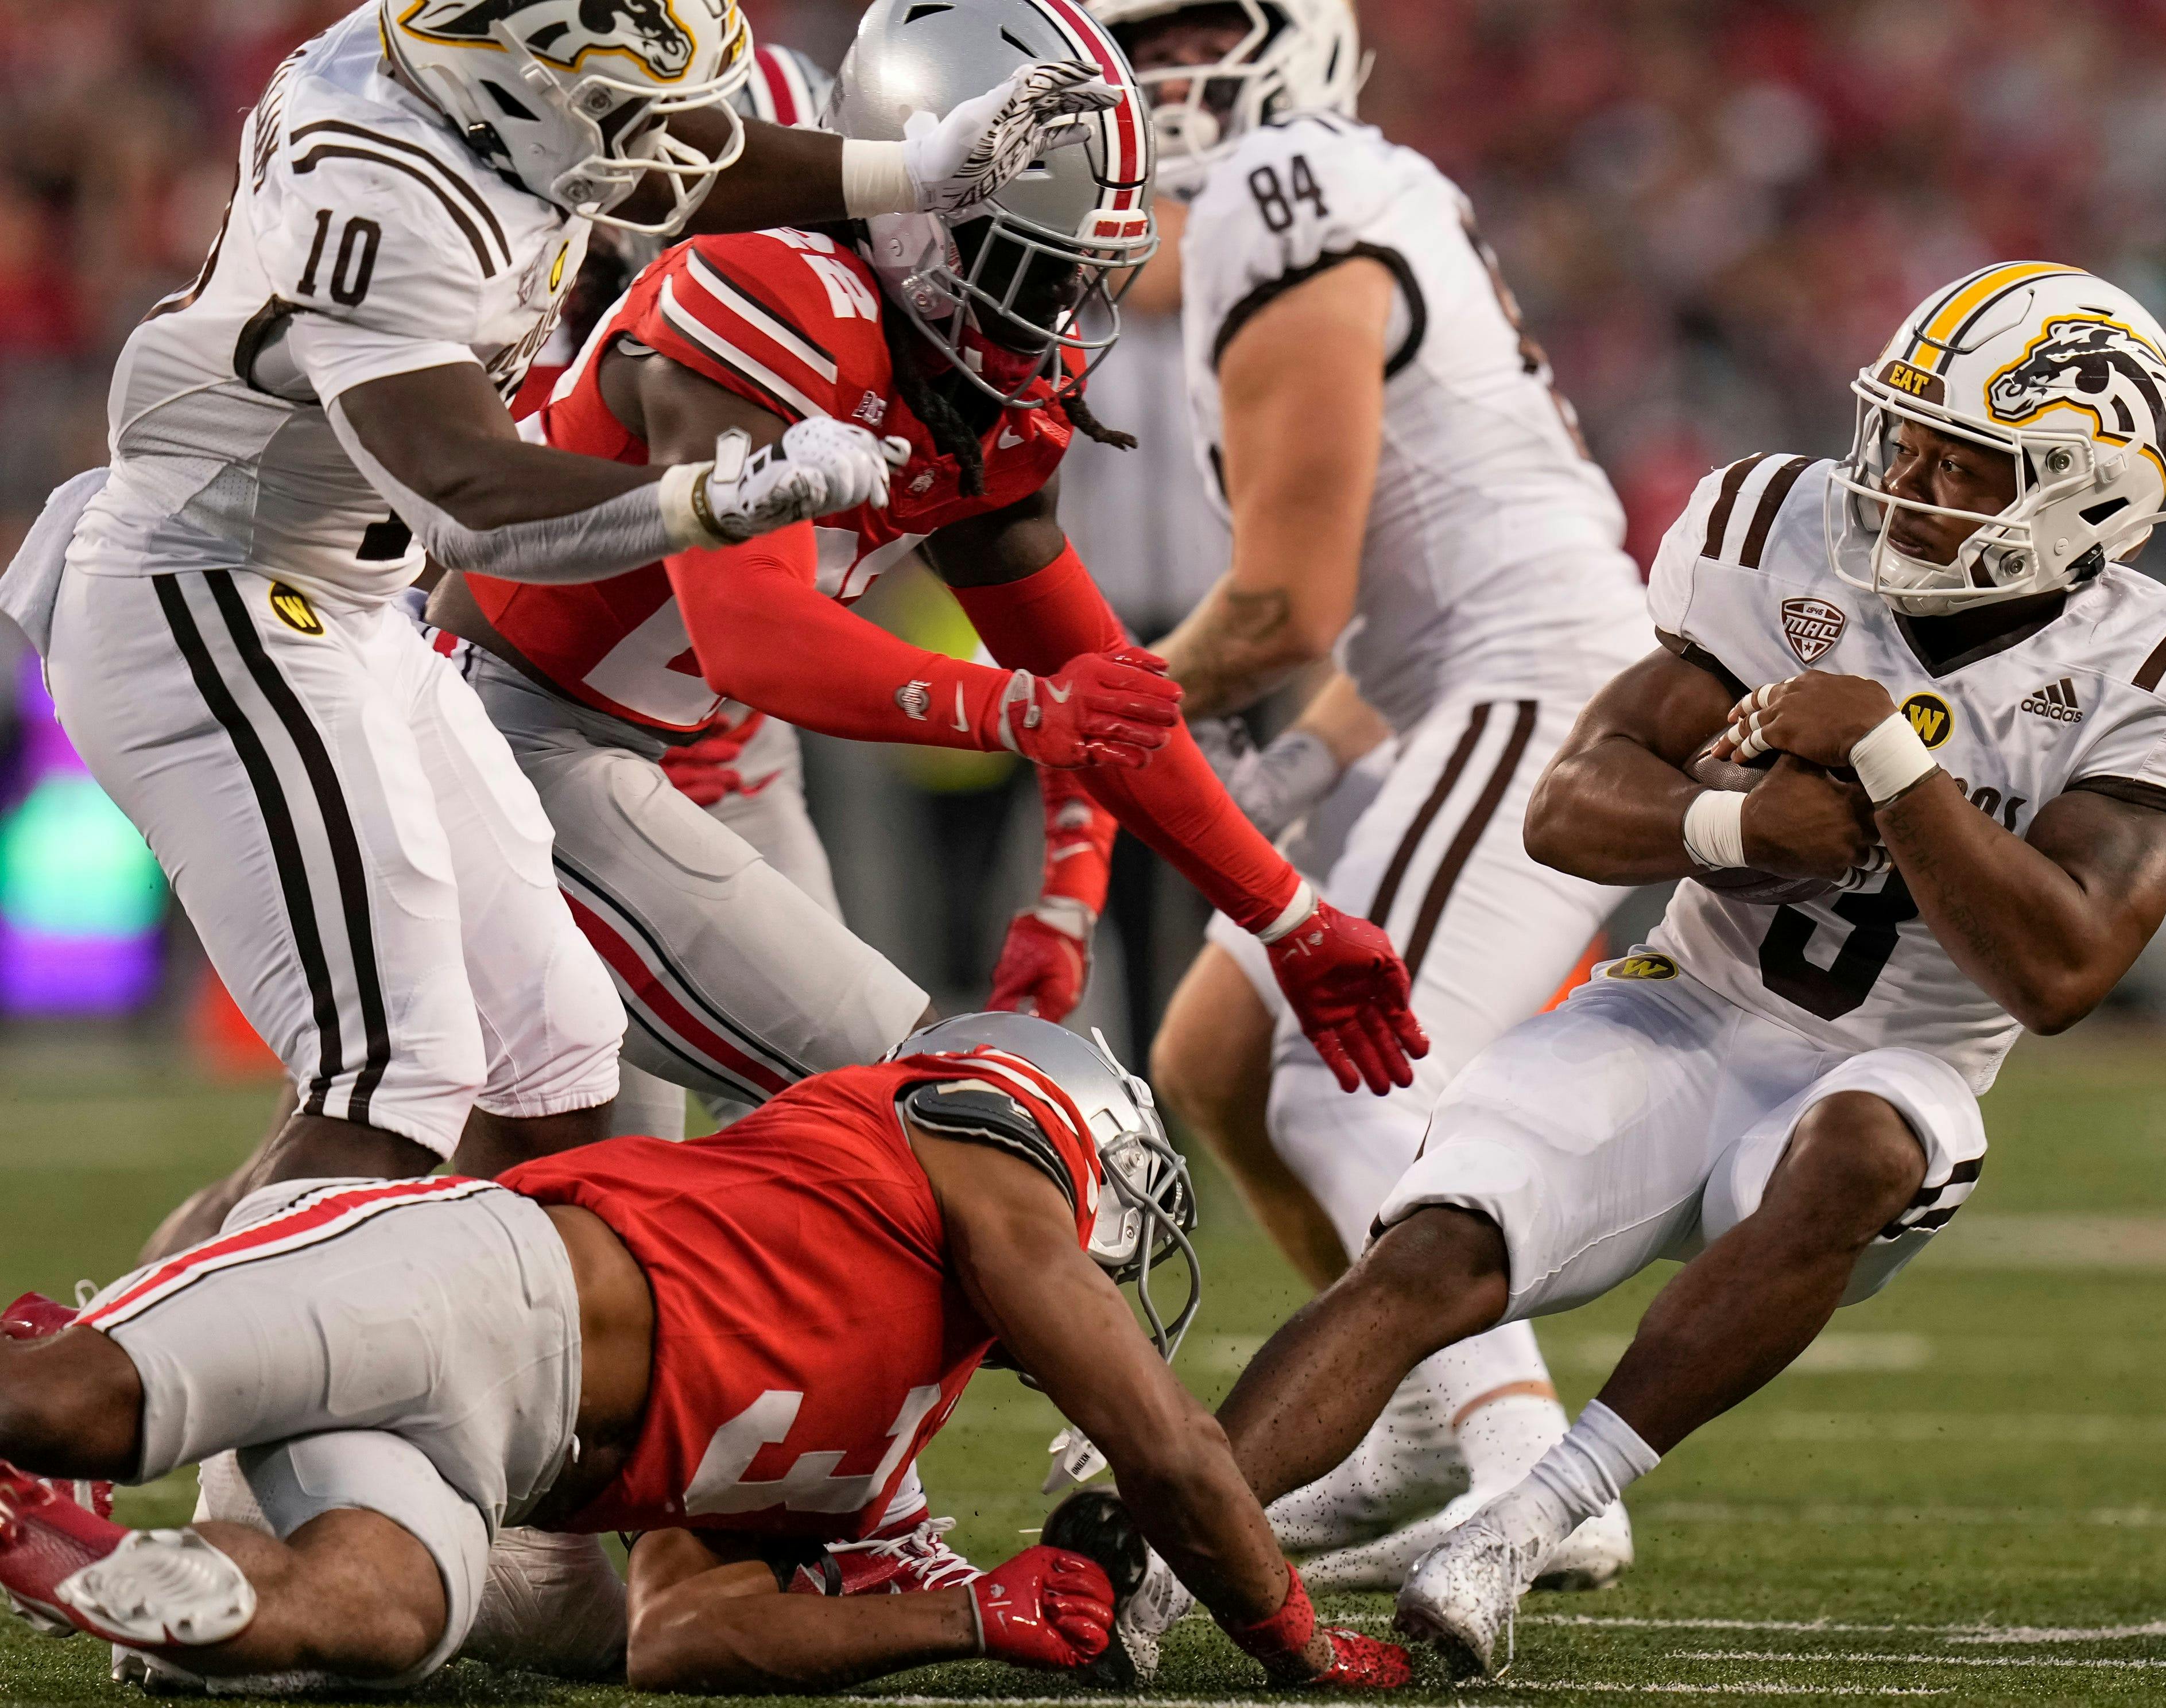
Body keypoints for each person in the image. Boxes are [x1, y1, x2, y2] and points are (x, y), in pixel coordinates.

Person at [1182, 263, 2166, 1674]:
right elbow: (1568, 805)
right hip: (1688, 1010)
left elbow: (2060, 970)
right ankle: (1159, 1549)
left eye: (1961, 465)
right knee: (1435, 1246)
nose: (1904, 482)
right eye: (1905, 437)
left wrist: (1893, 759)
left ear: (2079, 497)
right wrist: (1736, 821)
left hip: (1896, 1068)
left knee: (1870, 1140)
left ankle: (1534, 1517)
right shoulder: (1783, 531)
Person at [0, 0, 1133, 1221]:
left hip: (346, 597)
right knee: (392, 1081)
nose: (676, 136)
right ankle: (127, 1396)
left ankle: (295, 1367)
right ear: (520, 91)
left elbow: (677, 166)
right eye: (632, 110)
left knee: (559, 1056)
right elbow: (468, 499)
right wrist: (718, 496)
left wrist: (907, 171)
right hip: (215, 586)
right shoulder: (388, 188)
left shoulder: (475, 89)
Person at [418, 0, 1427, 1131]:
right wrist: (1018, 712)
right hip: (523, 733)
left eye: (1075, 272)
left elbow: (1102, 686)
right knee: (903, 1117)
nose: (1052, 311)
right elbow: (755, 639)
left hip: (694, 744)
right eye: (1028, 261)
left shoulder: (973, 381)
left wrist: (1287, 917)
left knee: (780, 1139)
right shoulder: (767, 294)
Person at [0, 1016, 1409, 1695]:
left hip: (494, 1462)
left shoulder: (880, 1444)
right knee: (65, 1409)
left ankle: (84, 1567)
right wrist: (1294, 1640)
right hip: (457, 1282)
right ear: (1059, 1124)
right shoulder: (963, 1144)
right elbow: (1171, 1451)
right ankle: (51, 1442)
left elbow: (677, 1637)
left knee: (369, 1619)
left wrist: (964, 1620)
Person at [1091, 0, 1656, 1588]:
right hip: (1452, 682)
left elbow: (1283, 607)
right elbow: (1414, 565)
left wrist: (1075, 707)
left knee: (1345, 1085)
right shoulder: (1319, 190)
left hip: (1534, 686)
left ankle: (1531, 1474)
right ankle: (1402, 1421)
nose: (1154, 73)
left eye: (1191, 32)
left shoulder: (1283, 204)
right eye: (1135, 41)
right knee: (1208, 1054)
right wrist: (1303, 759)